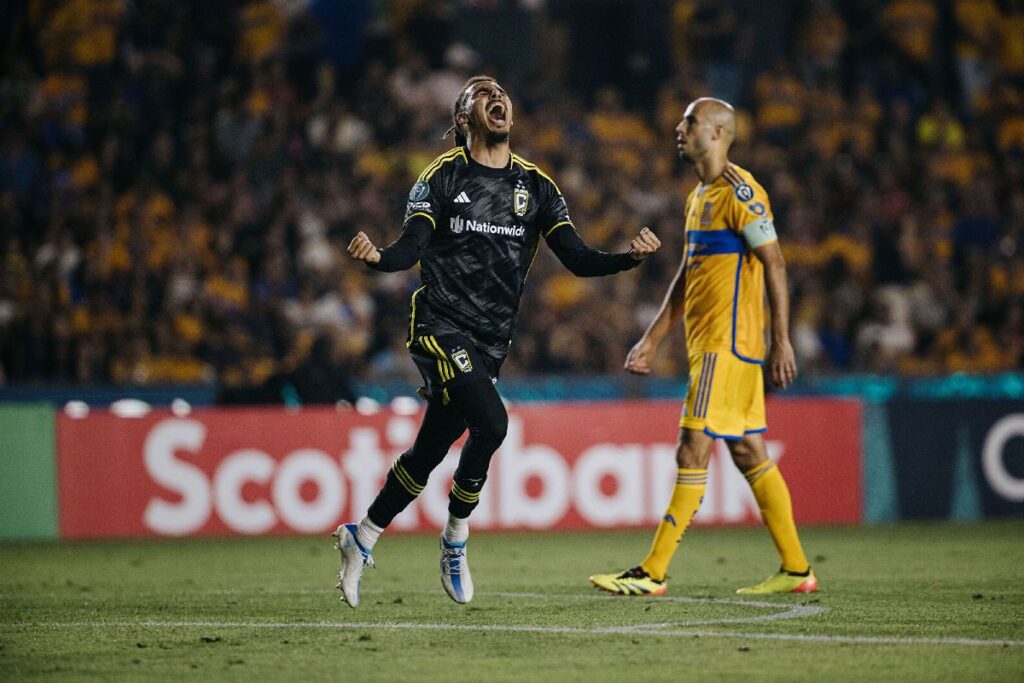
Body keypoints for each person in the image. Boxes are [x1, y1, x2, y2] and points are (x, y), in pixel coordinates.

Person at [336, 75, 661, 608]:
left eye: (502, 93)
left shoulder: (536, 187)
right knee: (493, 423)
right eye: (482, 94)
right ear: (463, 116)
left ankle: (363, 535)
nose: (497, 98)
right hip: (439, 324)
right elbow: (410, 246)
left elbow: (576, 259)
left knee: (431, 449)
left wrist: (629, 257)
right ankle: (456, 539)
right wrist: (379, 259)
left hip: (490, 343)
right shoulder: (440, 177)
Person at [589, 97, 818, 596]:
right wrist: (652, 337)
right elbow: (687, 275)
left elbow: (775, 263)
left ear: (716, 132)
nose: (678, 127)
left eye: (689, 121)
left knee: (691, 449)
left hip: (727, 345)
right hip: (710, 344)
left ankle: (652, 571)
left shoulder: (742, 192)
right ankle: (797, 569)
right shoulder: (699, 196)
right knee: (747, 448)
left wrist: (782, 340)